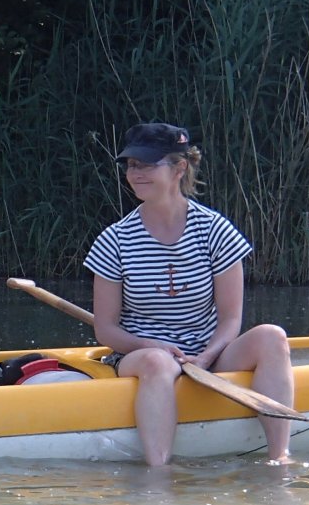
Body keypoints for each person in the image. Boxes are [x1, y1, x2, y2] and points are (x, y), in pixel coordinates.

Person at [83, 123, 294, 466]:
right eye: (132, 165)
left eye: (147, 164)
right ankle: (158, 474)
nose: (136, 173)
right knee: (157, 362)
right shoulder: (114, 240)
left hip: (209, 353)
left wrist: (207, 356)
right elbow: (105, 329)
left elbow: (230, 319)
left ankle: (279, 458)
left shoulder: (215, 230)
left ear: (179, 168)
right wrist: (151, 345)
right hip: (141, 355)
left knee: (273, 336)